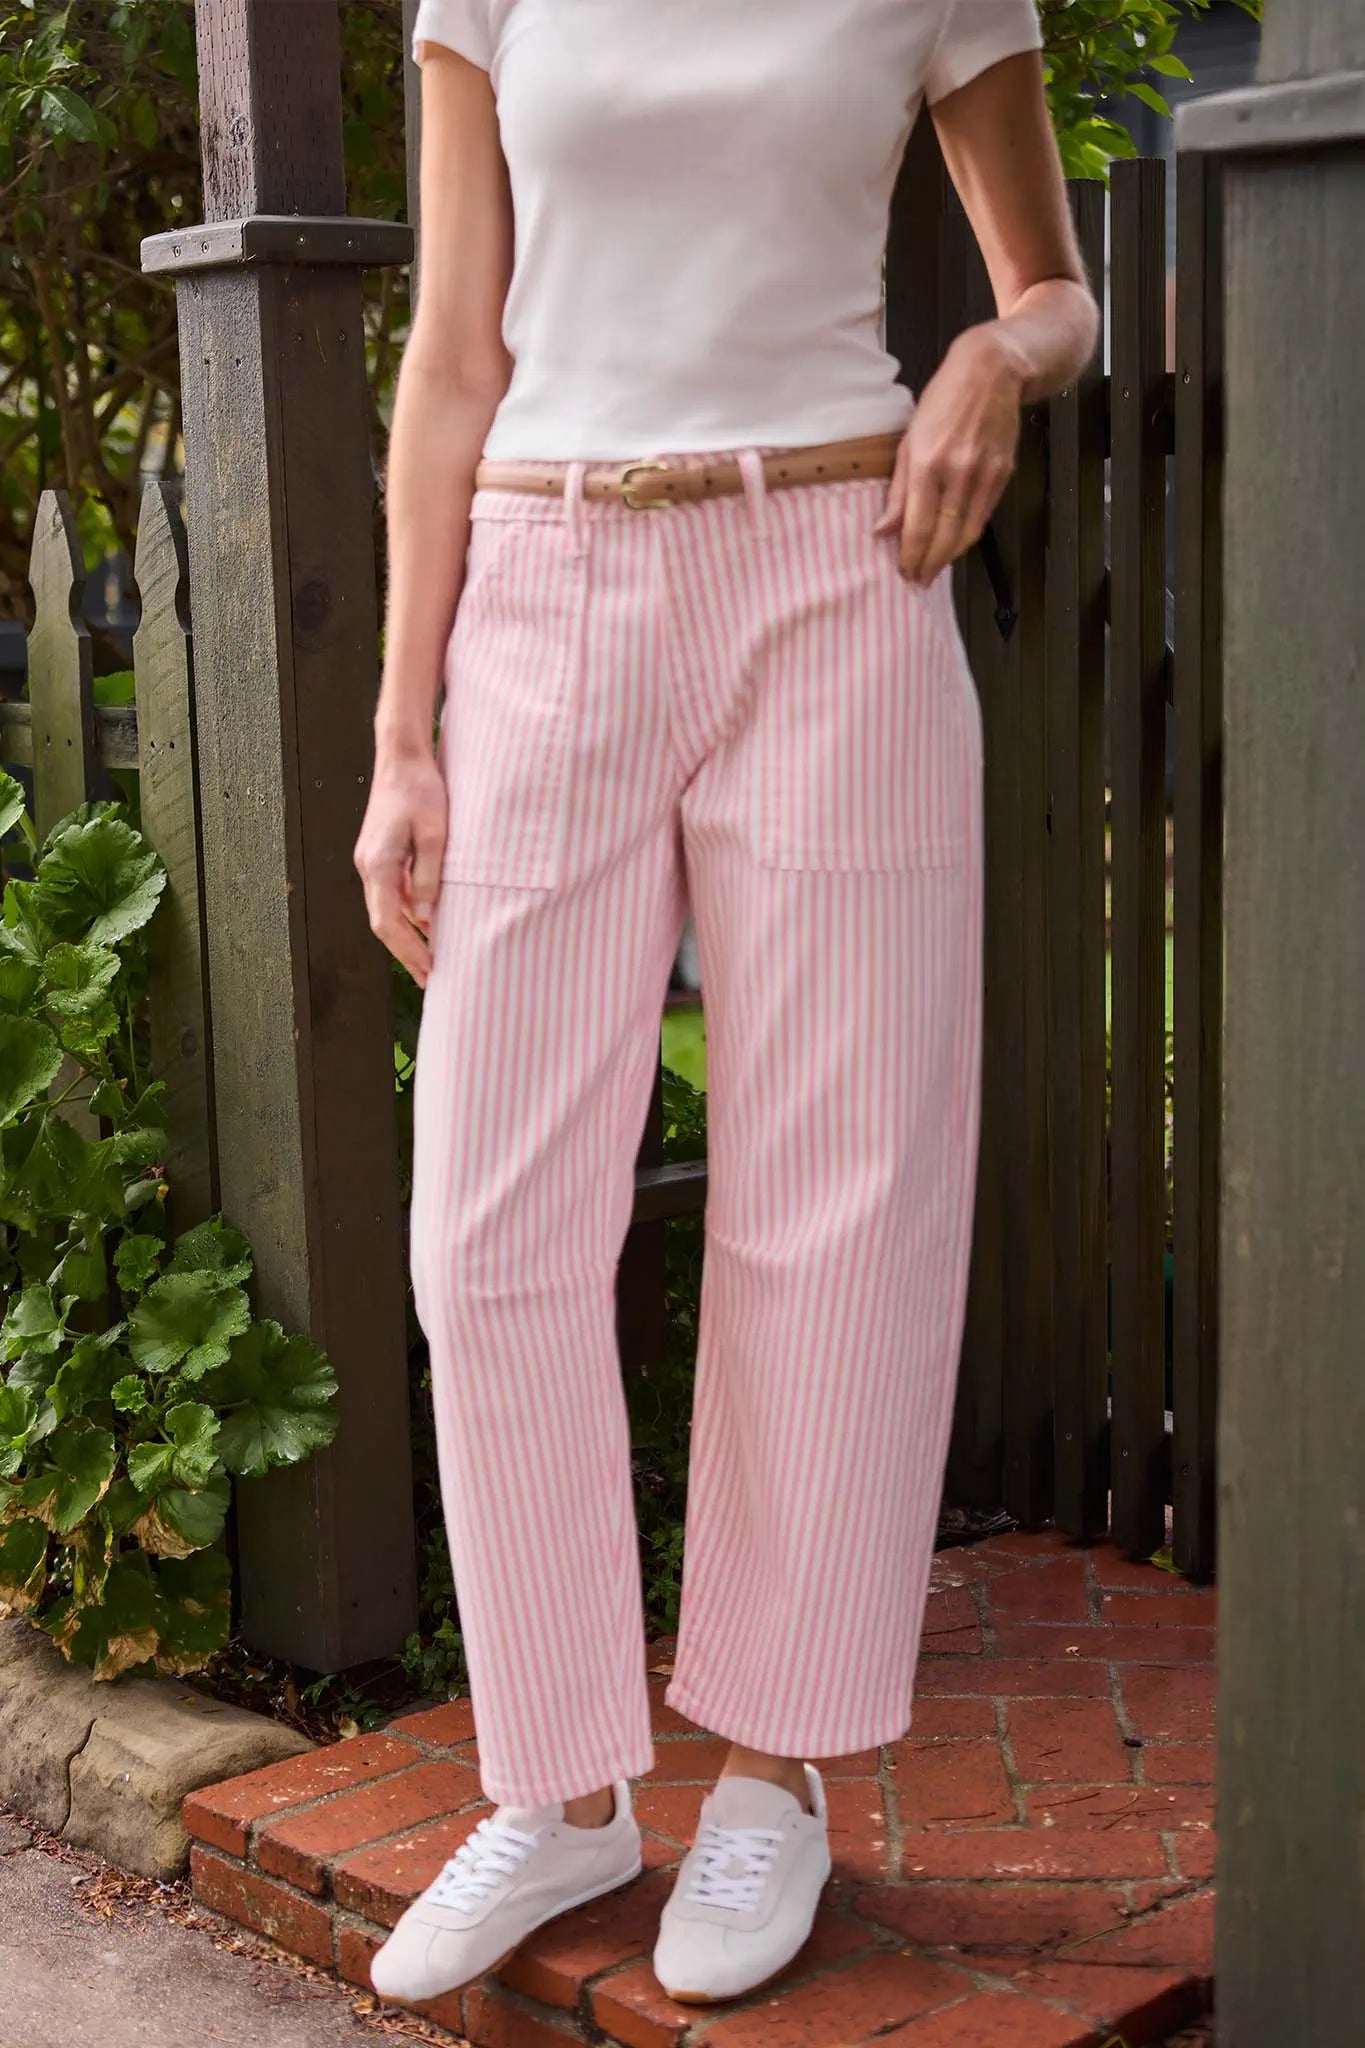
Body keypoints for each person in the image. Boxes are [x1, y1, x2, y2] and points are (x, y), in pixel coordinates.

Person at [354, 0, 1098, 2011]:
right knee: (484, 1230)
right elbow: (451, 353)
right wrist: (402, 732)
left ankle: (775, 1768)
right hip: (546, 578)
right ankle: (562, 1784)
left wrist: (984, 359)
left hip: (836, 570)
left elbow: (1055, 294)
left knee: (833, 1200)